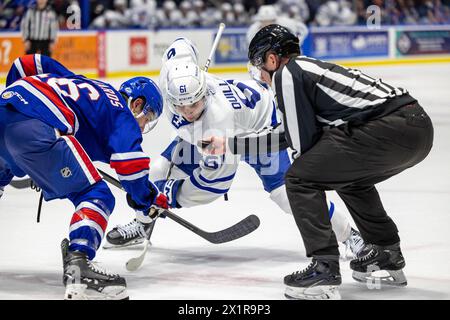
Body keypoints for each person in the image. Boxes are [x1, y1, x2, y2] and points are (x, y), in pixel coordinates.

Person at [205, 24, 434, 300]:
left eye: (259, 65)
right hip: (415, 128)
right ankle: (385, 252)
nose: (260, 75)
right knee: (349, 178)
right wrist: (230, 144)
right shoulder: (307, 70)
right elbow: (287, 135)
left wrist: (305, 173)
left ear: (272, 59)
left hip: (386, 128)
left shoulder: (287, 74)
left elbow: (302, 147)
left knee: (300, 178)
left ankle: (324, 268)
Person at [104, 38, 366, 260]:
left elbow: (215, 185)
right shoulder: (175, 79)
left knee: (286, 195)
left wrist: (172, 196)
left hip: (260, 132)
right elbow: (182, 44)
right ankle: (142, 223)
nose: (188, 112)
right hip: (214, 133)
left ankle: (349, 236)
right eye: (181, 106)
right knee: (159, 168)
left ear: (204, 93)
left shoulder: (215, 122)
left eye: (193, 105)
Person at [0, 54, 167, 300]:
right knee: (97, 195)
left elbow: (26, 64)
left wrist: (16, 104)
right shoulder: (122, 113)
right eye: (148, 117)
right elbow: (131, 167)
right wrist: (148, 199)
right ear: (138, 104)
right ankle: (80, 265)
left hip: (5, 109)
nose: (143, 126)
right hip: (37, 128)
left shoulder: (83, 83)